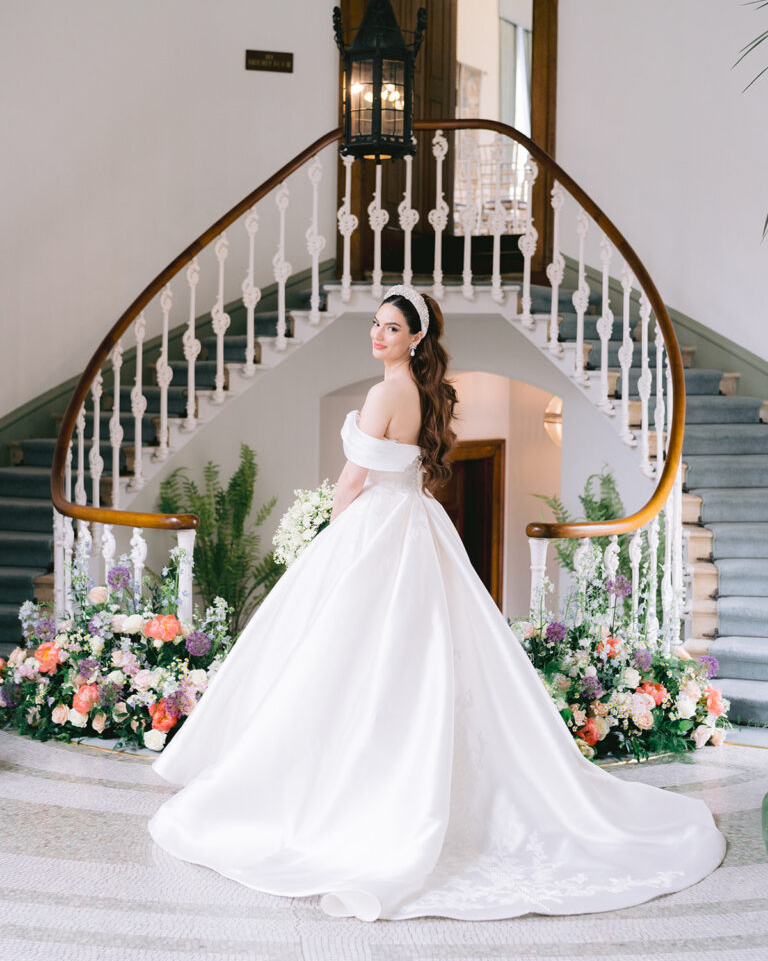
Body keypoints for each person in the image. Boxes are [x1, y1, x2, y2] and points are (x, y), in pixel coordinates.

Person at [147, 285, 727, 922]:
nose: (377, 335)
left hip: (377, 526)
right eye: (375, 324)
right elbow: (409, 471)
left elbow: (352, 479)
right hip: (415, 524)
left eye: (391, 328)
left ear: (415, 338)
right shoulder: (424, 393)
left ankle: (337, 790)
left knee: (350, 657)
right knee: (416, 654)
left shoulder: (383, 393)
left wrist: (331, 545)